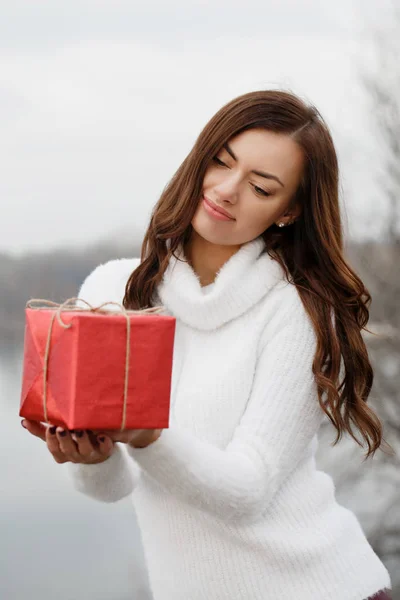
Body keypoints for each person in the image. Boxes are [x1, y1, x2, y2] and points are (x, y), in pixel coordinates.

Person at [22, 90, 393, 600]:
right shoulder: (113, 291)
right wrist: (89, 456)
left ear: (288, 212)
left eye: (262, 187)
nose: (226, 190)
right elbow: (111, 488)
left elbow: (248, 490)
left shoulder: (299, 311)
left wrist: (147, 436)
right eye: (221, 162)